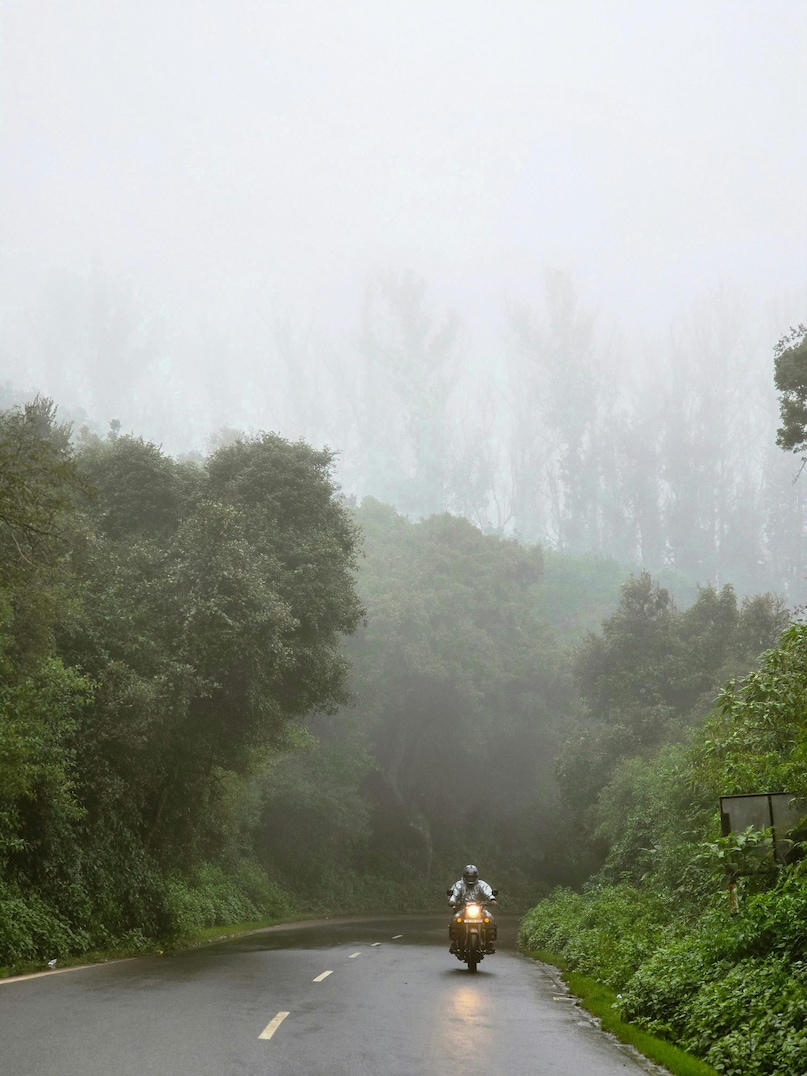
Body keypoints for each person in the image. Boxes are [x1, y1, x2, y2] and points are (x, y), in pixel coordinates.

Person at [448, 864, 497, 953]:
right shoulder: (459, 884)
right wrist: (452, 901)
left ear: (476, 876)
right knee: (455, 919)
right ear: (464, 876)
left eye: (472, 877)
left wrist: (492, 899)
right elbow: (454, 894)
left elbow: (488, 892)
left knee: (489, 918)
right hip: (463, 908)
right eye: (468, 877)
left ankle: (489, 943)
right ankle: (454, 943)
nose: (471, 879)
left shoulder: (481, 884)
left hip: (479, 909)